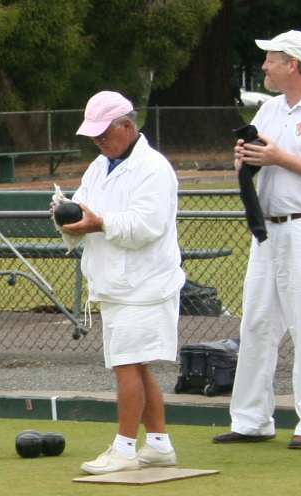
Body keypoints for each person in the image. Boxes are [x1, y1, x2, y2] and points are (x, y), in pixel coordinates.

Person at [213, 31, 301, 449]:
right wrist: (248, 159)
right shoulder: (270, 109)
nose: (264, 67)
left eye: (270, 59)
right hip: (268, 230)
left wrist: (279, 158)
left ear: (292, 63)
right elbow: (261, 159)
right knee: (256, 321)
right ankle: (252, 420)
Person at [51, 91, 186, 473]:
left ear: (127, 126)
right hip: (114, 282)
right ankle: (158, 445)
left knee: (126, 366)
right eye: (93, 136)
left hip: (145, 283)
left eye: (104, 134)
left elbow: (147, 225)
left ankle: (125, 448)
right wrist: (68, 218)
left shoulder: (154, 169)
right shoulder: (98, 166)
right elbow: (84, 212)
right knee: (137, 366)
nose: (98, 141)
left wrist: (100, 223)